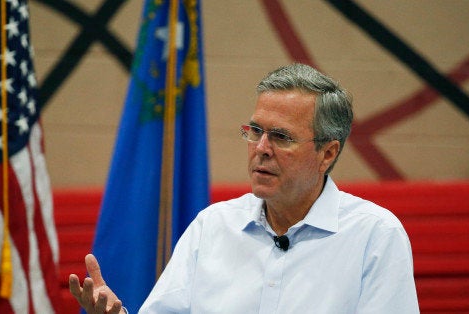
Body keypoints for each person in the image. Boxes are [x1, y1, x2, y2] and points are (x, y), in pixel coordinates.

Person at [69, 63, 419, 313]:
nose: (261, 148)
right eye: (255, 131)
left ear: (327, 153)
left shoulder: (375, 235)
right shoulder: (212, 226)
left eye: (280, 137)